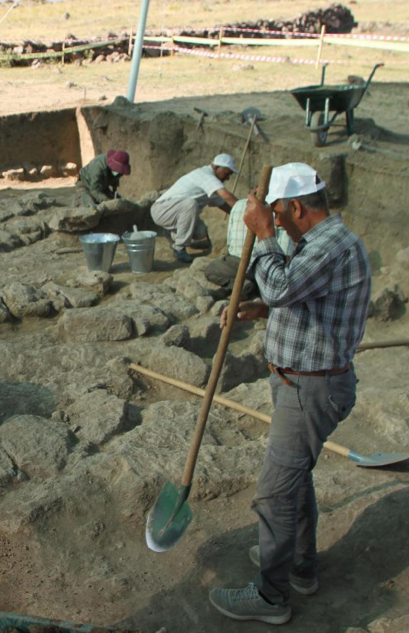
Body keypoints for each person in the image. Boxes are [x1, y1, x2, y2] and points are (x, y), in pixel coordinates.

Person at [209, 163, 371, 625]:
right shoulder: (317, 243)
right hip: (299, 381)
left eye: (278, 214)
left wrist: (261, 237)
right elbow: (293, 296)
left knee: (275, 494)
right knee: (295, 480)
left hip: (311, 387)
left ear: (296, 206)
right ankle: (300, 567)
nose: (275, 221)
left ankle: (272, 596)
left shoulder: (331, 246)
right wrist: (261, 309)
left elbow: (283, 287)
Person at [150, 153, 239, 264]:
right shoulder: (206, 176)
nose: (228, 178)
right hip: (161, 210)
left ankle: (172, 234)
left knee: (201, 232)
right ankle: (179, 249)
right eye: (226, 173)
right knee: (190, 204)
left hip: (172, 212)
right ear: (216, 167)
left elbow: (223, 204)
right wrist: (244, 208)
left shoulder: (209, 183)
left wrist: (239, 215)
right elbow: (226, 196)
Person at [204, 197, 295, 297]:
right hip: (265, 265)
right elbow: (286, 250)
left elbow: (230, 243)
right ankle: (251, 287)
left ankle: (245, 286)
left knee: (212, 270)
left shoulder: (239, 205)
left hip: (240, 262)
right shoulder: (276, 209)